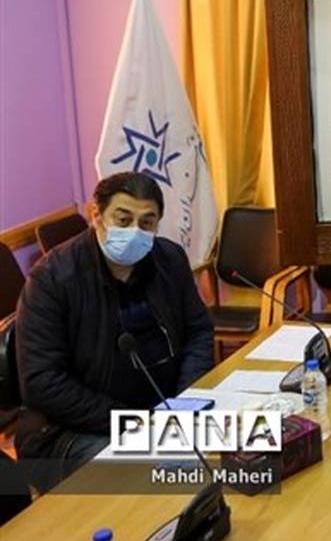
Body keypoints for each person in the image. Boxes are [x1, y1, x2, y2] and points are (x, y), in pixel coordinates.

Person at [14, 172, 214, 490]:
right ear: (96, 215)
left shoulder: (169, 259)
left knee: (242, 445)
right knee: (157, 476)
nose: (135, 231)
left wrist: (186, 400)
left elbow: (199, 331)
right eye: (123, 220)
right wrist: (132, 423)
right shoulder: (51, 279)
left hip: (163, 413)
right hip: (72, 431)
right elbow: (42, 383)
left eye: (146, 223)